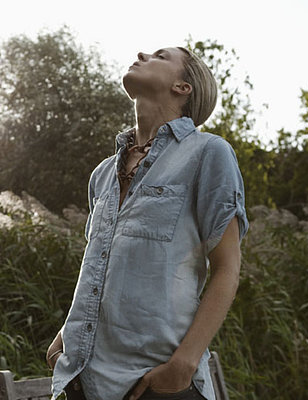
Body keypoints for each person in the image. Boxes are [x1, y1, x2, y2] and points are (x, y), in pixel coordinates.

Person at [46, 46, 249, 400]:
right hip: (83, 379)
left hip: (156, 382)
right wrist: (67, 333)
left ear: (182, 87)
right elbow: (102, 265)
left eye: (159, 55)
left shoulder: (209, 154)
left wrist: (184, 363)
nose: (141, 53)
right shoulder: (102, 173)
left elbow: (227, 269)